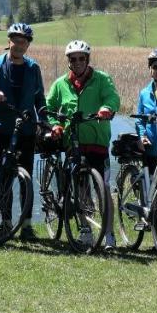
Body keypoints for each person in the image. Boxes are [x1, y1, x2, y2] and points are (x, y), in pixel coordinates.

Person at [45, 40, 120, 247]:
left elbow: (113, 98)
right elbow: (49, 107)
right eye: (73, 59)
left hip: (97, 142)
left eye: (81, 58)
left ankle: (109, 234)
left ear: (87, 59)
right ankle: (86, 230)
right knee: (81, 190)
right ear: (68, 61)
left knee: (103, 188)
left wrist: (106, 108)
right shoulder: (60, 84)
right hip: (73, 143)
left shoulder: (101, 79)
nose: (77, 62)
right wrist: (55, 125)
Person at [0, 23, 47, 239]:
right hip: (2, 129)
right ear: (8, 42)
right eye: (15, 41)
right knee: (5, 177)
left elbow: (39, 98)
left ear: (28, 45)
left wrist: (43, 120)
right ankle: (6, 223)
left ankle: (26, 225)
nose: (19, 45)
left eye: (23, 42)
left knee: (25, 178)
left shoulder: (32, 68)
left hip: (27, 129)